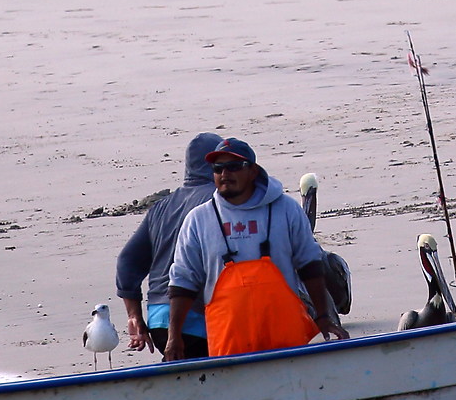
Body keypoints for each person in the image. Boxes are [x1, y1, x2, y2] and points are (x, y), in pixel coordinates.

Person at [164, 139, 347, 360]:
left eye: (234, 167)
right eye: (218, 168)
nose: (224, 174)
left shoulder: (287, 210)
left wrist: (324, 316)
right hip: (228, 350)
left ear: (253, 171)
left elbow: (310, 265)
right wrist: (174, 336)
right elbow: (182, 283)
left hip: (288, 345)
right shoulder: (198, 220)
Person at [115, 133, 224, 358]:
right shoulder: (219, 201)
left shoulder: (161, 207)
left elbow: (127, 261)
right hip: (197, 317)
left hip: (158, 320)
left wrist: (134, 315)